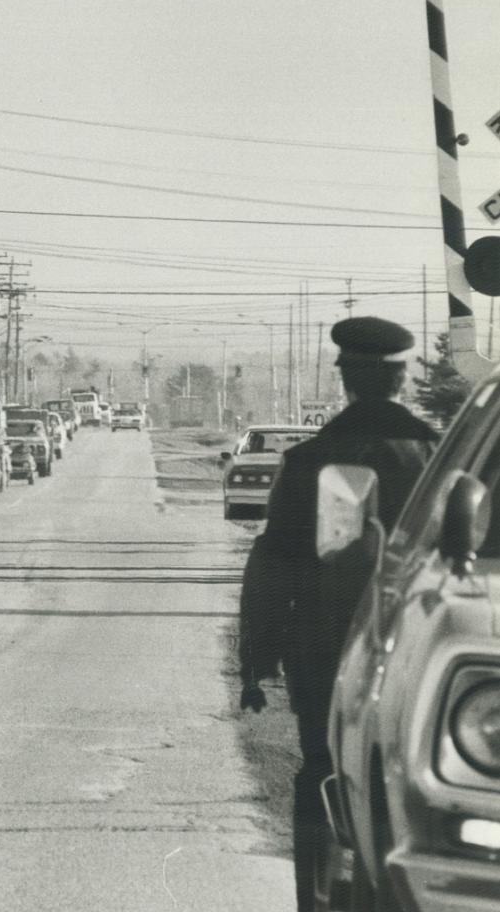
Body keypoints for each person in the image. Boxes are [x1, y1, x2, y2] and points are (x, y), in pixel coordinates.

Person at [237, 316, 438, 912]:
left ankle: (316, 898)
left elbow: (274, 562)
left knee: (320, 772)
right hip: (416, 649)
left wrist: (257, 660)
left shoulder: (308, 461)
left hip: (325, 648)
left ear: (345, 377)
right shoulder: (435, 456)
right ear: (403, 378)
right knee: (416, 784)